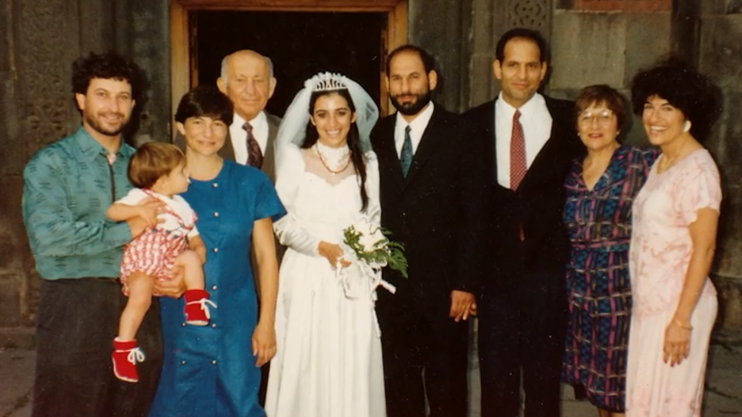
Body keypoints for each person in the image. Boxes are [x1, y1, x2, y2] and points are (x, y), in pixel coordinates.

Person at [22, 51, 163, 417]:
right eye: (102, 95)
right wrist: (126, 230)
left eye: (122, 96)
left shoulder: (144, 166)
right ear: (81, 99)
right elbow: (50, 238)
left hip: (138, 307)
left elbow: (164, 232)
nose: (113, 107)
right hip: (75, 306)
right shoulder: (52, 163)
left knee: (131, 407)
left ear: (133, 103)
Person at [462, 28, 580, 417]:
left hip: (549, 274)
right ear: (497, 68)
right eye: (513, 65)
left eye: (531, 66)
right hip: (495, 277)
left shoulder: (570, 119)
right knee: (497, 384)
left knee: (544, 384)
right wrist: (466, 279)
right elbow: (463, 209)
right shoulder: (470, 125)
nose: (522, 75)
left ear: (544, 70)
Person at [147, 85, 285, 417]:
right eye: (198, 122)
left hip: (237, 318)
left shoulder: (251, 182)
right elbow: (143, 249)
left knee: (239, 402)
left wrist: (267, 322)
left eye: (218, 124)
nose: (208, 133)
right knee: (179, 402)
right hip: (178, 317)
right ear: (181, 126)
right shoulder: (159, 186)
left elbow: (266, 258)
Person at [372, 45, 486, 417]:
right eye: (397, 78)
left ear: (431, 79)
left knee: (447, 390)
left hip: (445, 291)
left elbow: (475, 214)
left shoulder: (462, 132)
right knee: (398, 389)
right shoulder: (378, 133)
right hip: (392, 291)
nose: (405, 87)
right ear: (387, 83)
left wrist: (465, 283)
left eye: (414, 77)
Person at [265, 72, 385, 417]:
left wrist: (368, 250)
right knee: (307, 359)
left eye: (340, 113)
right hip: (307, 273)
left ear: (353, 116)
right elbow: (280, 221)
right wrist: (319, 246)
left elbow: (373, 217)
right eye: (323, 114)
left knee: (350, 360)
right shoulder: (294, 157)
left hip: (351, 278)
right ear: (311, 119)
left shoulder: (369, 164)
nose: (332, 123)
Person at [625, 60, 722, 417]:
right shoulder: (663, 161)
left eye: (667, 108)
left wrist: (681, 320)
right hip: (651, 305)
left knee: (671, 408)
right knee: (645, 405)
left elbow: (705, 248)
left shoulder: (698, 170)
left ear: (688, 113)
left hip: (680, 307)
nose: (654, 117)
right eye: (649, 106)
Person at [561, 85, 658, 417]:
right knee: (599, 388)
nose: (595, 124)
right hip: (579, 293)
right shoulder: (569, 172)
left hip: (622, 291)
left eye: (605, 115)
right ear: (576, 126)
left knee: (622, 389)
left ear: (619, 124)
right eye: (586, 116)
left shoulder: (641, 163)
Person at [107, 142, 214, 383]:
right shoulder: (142, 197)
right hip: (141, 262)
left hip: (169, 261)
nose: (188, 174)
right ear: (163, 181)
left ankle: (195, 302)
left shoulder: (183, 206)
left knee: (190, 258)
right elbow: (113, 212)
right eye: (182, 171)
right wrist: (138, 212)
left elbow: (193, 235)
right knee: (140, 297)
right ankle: (123, 348)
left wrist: (198, 247)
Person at [217, 50, 281, 181]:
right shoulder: (200, 133)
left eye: (258, 80)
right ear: (223, 86)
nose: (251, 90)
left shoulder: (289, 133)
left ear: (271, 86)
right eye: (240, 80)